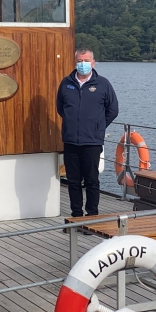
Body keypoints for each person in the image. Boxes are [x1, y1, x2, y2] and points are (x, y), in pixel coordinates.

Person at [57, 48, 119, 217]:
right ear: (75, 62)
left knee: (92, 181)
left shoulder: (103, 84)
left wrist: (98, 127)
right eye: (79, 61)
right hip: (71, 141)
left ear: (93, 63)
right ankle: (76, 216)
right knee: (73, 182)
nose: (82, 64)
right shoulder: (66, 83)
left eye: (86, 61)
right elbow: (61, 108)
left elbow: (112, 110)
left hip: (92, 142)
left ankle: (92, 215)